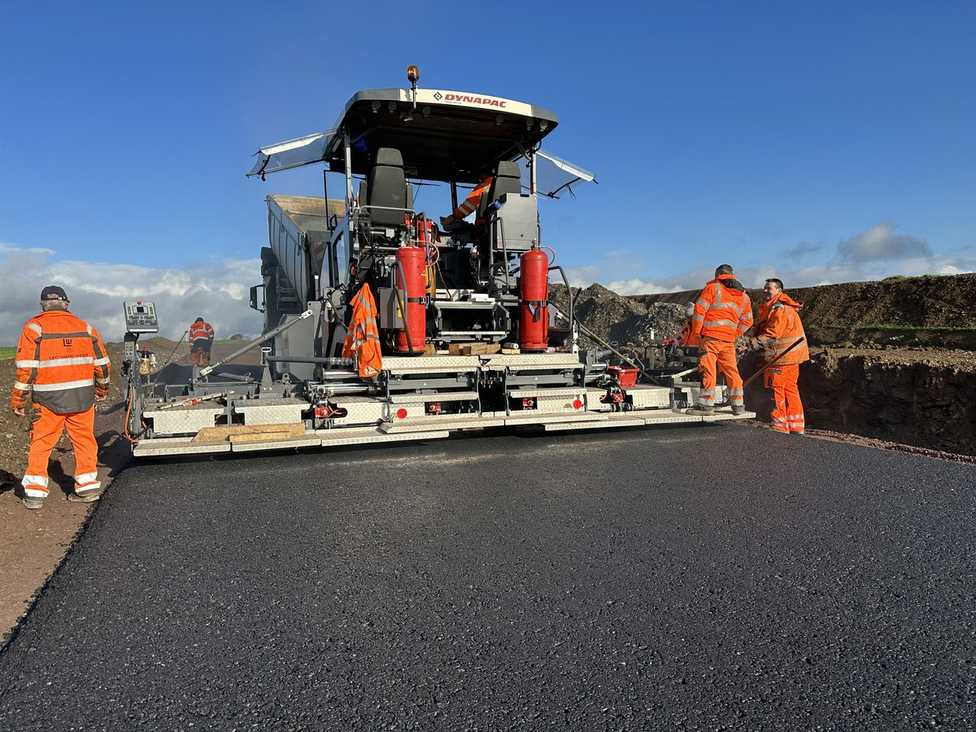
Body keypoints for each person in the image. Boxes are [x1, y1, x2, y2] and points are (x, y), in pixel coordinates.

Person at [11, 286, 111, 509]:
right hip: (82, 399)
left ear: (43, 305)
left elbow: (26, 368)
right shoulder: (86, 328)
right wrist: (102, 391)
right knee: (84, 440)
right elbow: (102, 366)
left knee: (42, 441)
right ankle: (87, 487)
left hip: (48, 401)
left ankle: (35, 494)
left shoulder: (34, 328)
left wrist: (18, 400)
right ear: (67, 303)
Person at [685, 264, 753, 415]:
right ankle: (738, 405)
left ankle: (706, 405)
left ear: (718, 274)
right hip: (728, 341)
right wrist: (734, 334)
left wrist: (697, 333)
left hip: (710, 338)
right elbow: (748, 321)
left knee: (708, 369)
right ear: (732, 275)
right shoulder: (744, 296)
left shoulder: (713, 288)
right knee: (731, 371)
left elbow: (699, 311)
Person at [749, 278, 809, 434]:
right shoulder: (786, 308)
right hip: (792, 358)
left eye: (769, 288)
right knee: (791, 390)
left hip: (780, 358)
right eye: (764, 288)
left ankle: (779, 424)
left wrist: (754, 343)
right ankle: (796, 425)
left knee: (776, 390)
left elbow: (773, 333)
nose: (765, 290)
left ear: (779, 291)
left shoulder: (779, 309)